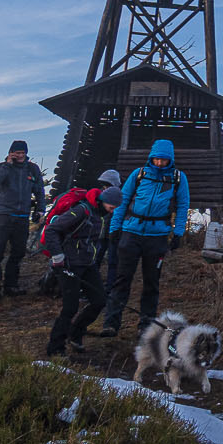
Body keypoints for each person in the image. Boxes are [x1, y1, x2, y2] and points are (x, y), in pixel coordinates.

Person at [100, 139, 189, 337]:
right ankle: (111, 323)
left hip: (157, 236)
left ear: (170, 160)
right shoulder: (139, 174)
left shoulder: (178, 178)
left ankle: (145, 325)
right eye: (156, 159)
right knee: (122, 280)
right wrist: (115, 228)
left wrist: (178, 233)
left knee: (151, 282)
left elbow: (183, 206)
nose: (159, 163)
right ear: (151, 157)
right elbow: (122, 201)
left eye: (164, 160)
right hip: (131, 232)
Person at [44, 186, 121, 357]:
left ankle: (76, 333)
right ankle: (55, 348)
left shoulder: (100, 215)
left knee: (99, 300)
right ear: (104, 201)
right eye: (112, 206)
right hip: (69, 264)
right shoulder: (82, 210)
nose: (113, 210)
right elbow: (52, 230)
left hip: (88, 264)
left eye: (116, 208)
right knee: (70, 308)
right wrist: (58, 256)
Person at [37, 169, 122, 294]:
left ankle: (59, 286)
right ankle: (51, 286)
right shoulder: (91, 205)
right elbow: (54, 229)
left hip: (91, 244)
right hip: (81, 247)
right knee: (72, 269)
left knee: (89, 264)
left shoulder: (105, 199)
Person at [0, 140, 45, 299]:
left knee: (18, 252)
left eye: (22, 153)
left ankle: (11, 285)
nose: (20, 156)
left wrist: (40, 209)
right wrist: (8, 164)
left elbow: (39, 191)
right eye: (16, 153)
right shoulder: (1, 168)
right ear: (11, 153)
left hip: (22, 215)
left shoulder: (32, 169)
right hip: (2, 214)